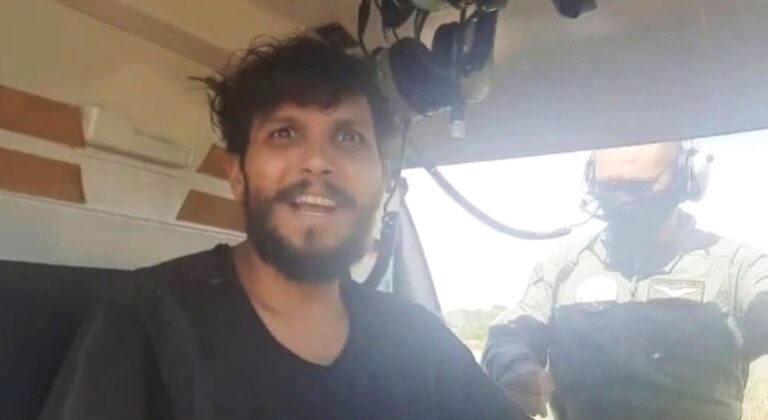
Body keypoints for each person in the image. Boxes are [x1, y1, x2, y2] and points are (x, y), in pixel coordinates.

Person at [39, 37, 528, 420]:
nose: (317, 161)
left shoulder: (419, 342)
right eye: (284, 133)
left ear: (384, 180)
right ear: (238, 174)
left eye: (349, 137)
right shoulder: (145, 322)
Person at [483, 141, 768, 420]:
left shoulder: (736, 265)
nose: (623, 199)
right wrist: (516, 367)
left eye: (639, 187)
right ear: (591, 180)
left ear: (686, 176)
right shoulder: (562, 265)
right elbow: (510, 334)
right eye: (609, 186)